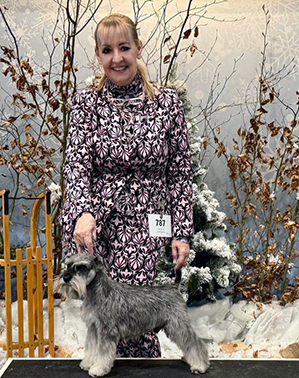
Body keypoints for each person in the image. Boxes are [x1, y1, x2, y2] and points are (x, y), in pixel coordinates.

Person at [61, 13, 194, 358]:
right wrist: (82, 213)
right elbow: (76, 165)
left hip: (148, 224)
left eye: (124, 47)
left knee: (137, 315)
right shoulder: (86, 104)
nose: (116, 58)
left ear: (138, 48)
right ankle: (103, 375)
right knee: (102, 317)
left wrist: (181, 232)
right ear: (98, 55)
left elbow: (179, 172)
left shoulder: (167, 103)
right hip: (96, 225)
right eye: (107, 50)